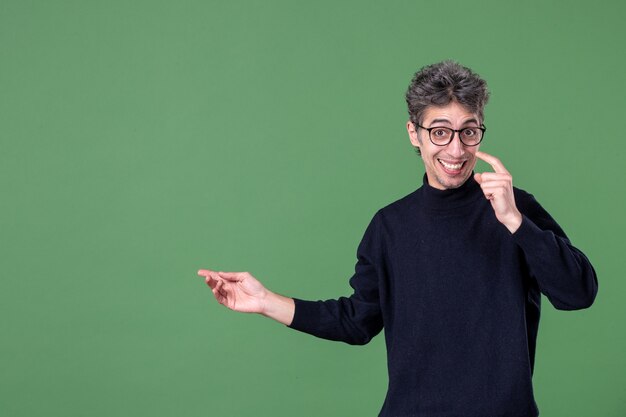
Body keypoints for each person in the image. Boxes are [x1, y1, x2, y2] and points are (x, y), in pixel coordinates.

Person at [198, 60, 598, 417]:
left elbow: (578, 293)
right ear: (414, 133)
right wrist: (266, 301)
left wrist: (515, 221)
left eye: (469, 131)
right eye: (440, 132)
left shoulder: (516, 209)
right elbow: (357, 321)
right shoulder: (390, 226)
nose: (456, 149)